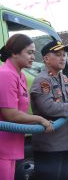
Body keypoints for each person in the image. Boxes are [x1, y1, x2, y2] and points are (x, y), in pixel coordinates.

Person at [30, 40, 68, 180]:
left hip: (64, 144)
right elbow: (48, 107)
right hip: (48, 146)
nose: (63, 58)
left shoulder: (64, 79)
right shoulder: (42, 80)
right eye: (58, 54)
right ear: (46, 59)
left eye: (64, 55)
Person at [0, 34, 53, 180]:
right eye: (29, 53)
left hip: (11, 144)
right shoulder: (6, 74)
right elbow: (10, 114)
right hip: (2, 146)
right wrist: (39, 119)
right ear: (15, 52)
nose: (33, 57)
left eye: (33, 53)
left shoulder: (20, 75)